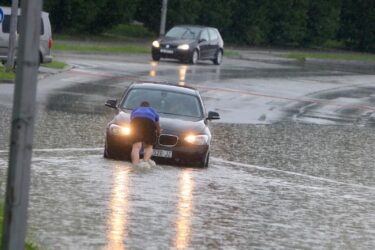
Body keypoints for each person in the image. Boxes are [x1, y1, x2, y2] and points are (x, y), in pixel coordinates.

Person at [130, 101, 161, 166]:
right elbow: (157, 124)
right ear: (148, 106)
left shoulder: (135, 109)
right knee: (149, 145)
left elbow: (131, 122)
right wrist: (158, 132)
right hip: (149, 121)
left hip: (136, 120)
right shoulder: (152, 110)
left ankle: (135, 165)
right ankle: (145, 162)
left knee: (136, 146)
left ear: (140, 106)